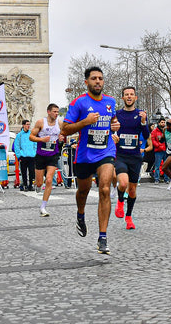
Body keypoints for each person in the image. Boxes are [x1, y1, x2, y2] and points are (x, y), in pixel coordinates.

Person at [61, 66, 120, 256]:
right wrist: (85, 122)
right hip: (85, 154)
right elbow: (65, 130)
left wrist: (115, 126)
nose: (98, 81)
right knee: (83, 191)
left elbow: (113, 123)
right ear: (86, 82)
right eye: (94, 78)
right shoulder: (79, 103)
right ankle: (80, 214)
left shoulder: (111, 101)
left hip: (106, 151)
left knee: (104, 189)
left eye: (101, 78)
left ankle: (102, 237)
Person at [111, 86, 149, 230]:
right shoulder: (117, 114)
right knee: (123, 183)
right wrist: (112, 137)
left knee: (132, 190)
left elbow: (146, 135)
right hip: (120, 155)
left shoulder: (140, 115)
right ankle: (120, 201)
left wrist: (144, 122)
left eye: (131, 94)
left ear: (135, 98)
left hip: (135, 157)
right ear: (122, 98)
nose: (129, 97)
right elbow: (110, 131)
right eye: (126, 94)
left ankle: (128, 217)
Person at [30, 103, 64, 217]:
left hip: (53, 155)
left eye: (58, 112)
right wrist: (41, 139)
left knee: (49, 180)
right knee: (40, 182)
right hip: (41, 155)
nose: (56, 114)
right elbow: (31, 137)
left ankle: (43, 207)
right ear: (48, 112)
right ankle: (38, 185)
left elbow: (64, 135)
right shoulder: (41, 122)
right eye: (54, 111)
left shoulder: (59, 123)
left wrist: (61, 138)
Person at [14, 119, 36, 191]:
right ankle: (25, 185)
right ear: (23, 125)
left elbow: (35, 143)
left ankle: (30, 185)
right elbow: (16, 146)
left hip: (31, 156)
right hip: (23, 156)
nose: (28, 126)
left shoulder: (32, 134)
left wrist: (34, 152)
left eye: (29, 124)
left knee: (31, 172)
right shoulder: (19, 135)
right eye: (27, 124)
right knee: (24, 172)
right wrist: (19, 155)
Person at [151, 118, 167, 183]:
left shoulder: (166, 131)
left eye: (164, 122)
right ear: (159, 123)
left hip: (166, 150)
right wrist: (158, 145)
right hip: (158, 150)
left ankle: (166, 179)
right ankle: (156, 179)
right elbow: (153, 140)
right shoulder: (154, 131)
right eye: (162, 122)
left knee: (166, 165)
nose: (163, 123)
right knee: (157, 166)